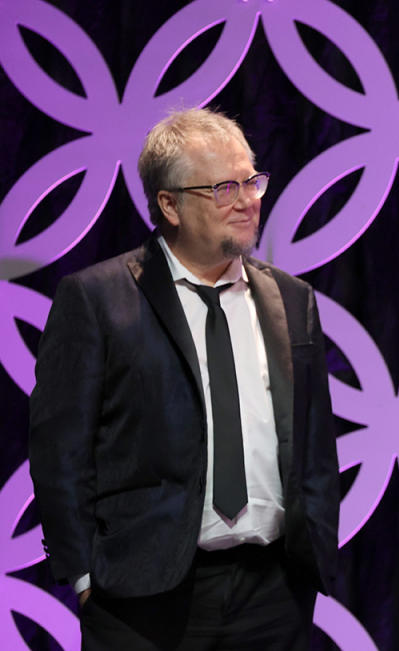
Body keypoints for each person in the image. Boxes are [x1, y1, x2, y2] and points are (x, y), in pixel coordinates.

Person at [29, 107, 339, 650]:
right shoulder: (98, 300)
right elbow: (60, 453)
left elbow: (313, 446)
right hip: (140, 600)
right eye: (223, 188)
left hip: (273, 597)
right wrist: (82, 578)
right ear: (168, 204)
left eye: (252, 180)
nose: (248, 200)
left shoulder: (292, 299)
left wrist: (310, 556)